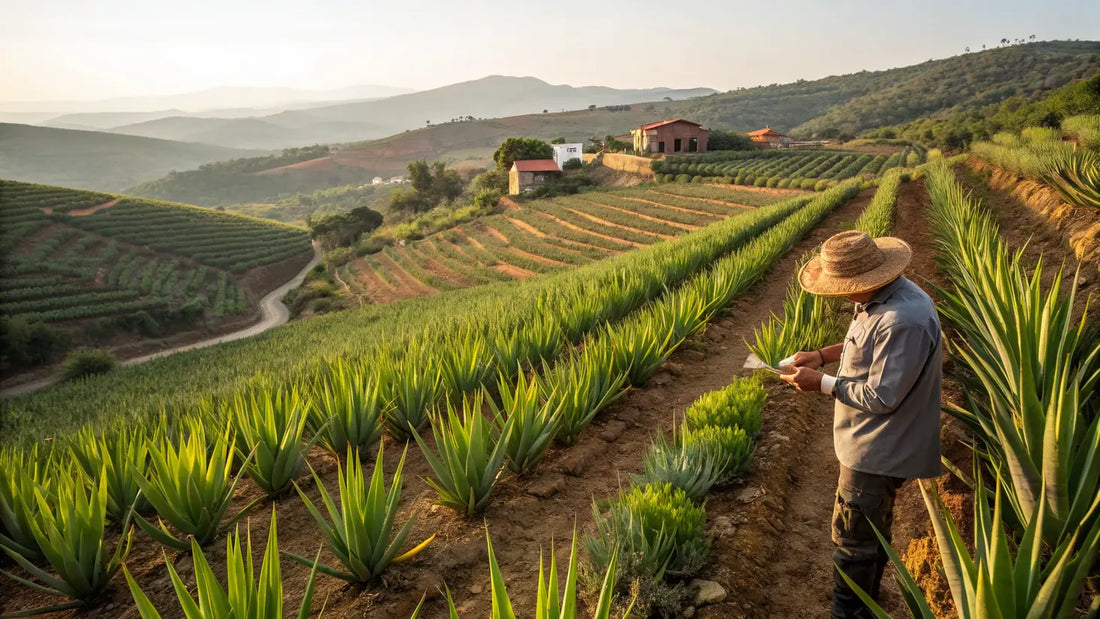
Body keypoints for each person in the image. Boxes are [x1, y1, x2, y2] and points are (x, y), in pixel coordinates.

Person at [778, 230, 942, 619]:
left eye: (842, 288)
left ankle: (850, 612)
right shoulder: (888, 297)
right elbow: (865, 342)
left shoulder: (904, 319)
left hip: (877, 450)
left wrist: (820, 383)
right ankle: (867, 603)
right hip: (875, 443)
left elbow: (882, 397)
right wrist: (821, 356)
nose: (839, 294)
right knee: (871, 533)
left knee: (853, 542)